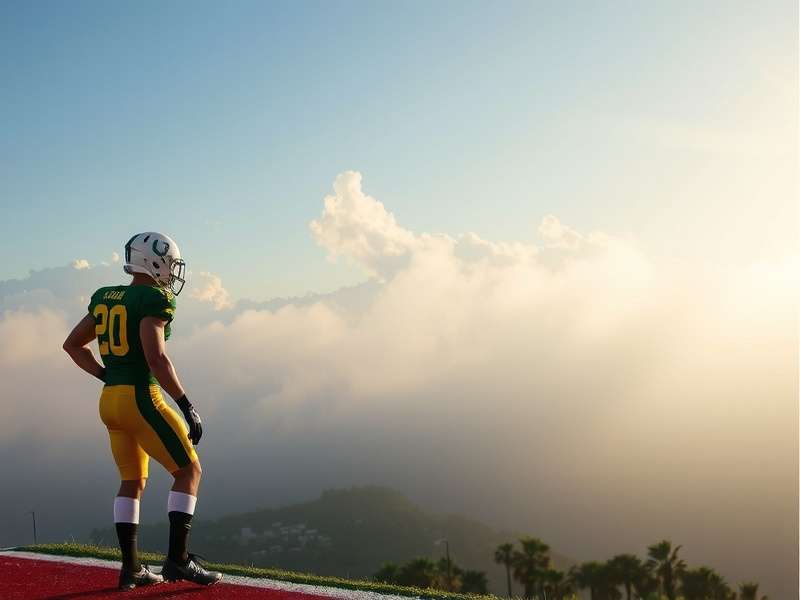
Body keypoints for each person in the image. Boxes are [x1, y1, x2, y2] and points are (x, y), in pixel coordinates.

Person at [63, 232, 222, 590]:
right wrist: (186, 404)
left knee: (132, 482)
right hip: (141, 396)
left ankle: (132, 568)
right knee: (189, 471)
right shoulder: (153, 298)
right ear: (155, 260)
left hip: (110, 401)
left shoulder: (106, 297)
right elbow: (157, 357)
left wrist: (106, 373)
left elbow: (72, 345)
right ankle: (179, 560)